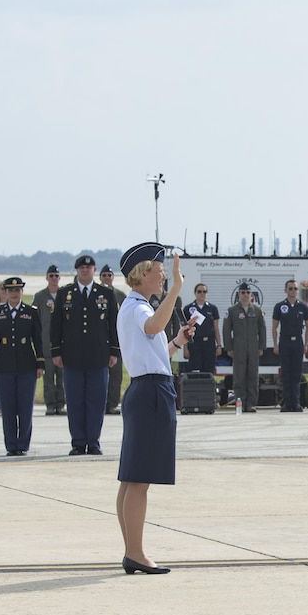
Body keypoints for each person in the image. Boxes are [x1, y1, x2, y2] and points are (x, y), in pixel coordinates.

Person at [116, 243, 196, 575]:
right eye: (161, 272)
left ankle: (132, 550)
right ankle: (135, 552)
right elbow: (151, 328)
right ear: (143, 273)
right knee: (139, 481)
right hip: (150, 392)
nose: (164, 276)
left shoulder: (137, 307)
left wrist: (177, 340)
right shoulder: (139, 309)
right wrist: (177, 290)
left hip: (144, 389)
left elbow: (155, 345)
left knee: (131, 478)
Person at [50, 254, 121, 456]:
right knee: (74, 401)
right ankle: (78, 442)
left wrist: (114, 351)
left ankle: (94, 441)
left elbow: (113, 325)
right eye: (81, 268)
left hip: (99, 356)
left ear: (94, 270)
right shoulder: (65, 294)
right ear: (76, 270)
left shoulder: (105, 294)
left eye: (88, 268)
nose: (85, 270)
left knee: (96, 401)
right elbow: (56, 326)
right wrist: (56, 351)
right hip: (71, 356)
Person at [0, 276, 45, 455]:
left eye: (17, 290)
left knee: (25, 407)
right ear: (4, 292)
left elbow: (38, 340)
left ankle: (23, 444)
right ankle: (11, 445)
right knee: (8, 407)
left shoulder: (31, 312)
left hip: (27, 365)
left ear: (21, 292)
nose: (13, 293)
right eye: (10, 290)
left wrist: (40, 363)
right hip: (3, 365)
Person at [269, 279, 308, 412]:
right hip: (285, 342)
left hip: (298, 342)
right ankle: (287, 403)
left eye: (295, 288)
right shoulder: (280, 306)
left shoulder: (303, 307)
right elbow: (274, 327)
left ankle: (296, 402)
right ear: (285, 290)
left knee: (296, 374)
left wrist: (306, 343)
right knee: (286, 374)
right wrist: (275, 345)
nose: (293, 291)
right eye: (290, 288)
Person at [224, 282, 265, 411]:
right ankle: (240, 403)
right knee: (239, 376)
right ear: (239, 294)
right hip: (238, 347)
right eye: (243, 292)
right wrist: (229, 348)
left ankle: (251, 403)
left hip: (253, 347)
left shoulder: (257, 310)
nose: (245, 295)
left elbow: (262, 329)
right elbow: (226, 330)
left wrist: (261, 346)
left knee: (253, 375)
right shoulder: (232, 311)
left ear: (251, 294)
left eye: (248, 292)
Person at [32, 265, 64, 416]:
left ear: (59, 278)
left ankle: (61, 404)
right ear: (46, 277)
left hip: (63, 344)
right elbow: (35, 321)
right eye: (51, 275)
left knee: (62, 377)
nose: (54, 278)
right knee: (48, 377)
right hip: (46, 343)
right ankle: (50, 404)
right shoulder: (40, 297)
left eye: (56, 276)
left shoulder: (65, 295)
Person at [99, 264, 124, 413]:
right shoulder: (97, 295)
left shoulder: (120, 295)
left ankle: (113, 404)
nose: (107, 278)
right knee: (100, 375)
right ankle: (101, 404)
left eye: (109, 275)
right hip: (101, 340)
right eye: (104, 275)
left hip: (117, 340)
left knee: (116, 375)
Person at [184, 281, 221, 376]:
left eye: (204, 292)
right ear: (195, 293)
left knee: (209, 371)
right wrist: (185, 348)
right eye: (199, 291)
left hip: (209, 344)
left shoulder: (212, 308)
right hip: (194, 343)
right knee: (195, 371)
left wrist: (219, 345)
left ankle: (208, 391)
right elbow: (185, 329)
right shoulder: (188, 308)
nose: (202, 294)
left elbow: (216, 328)